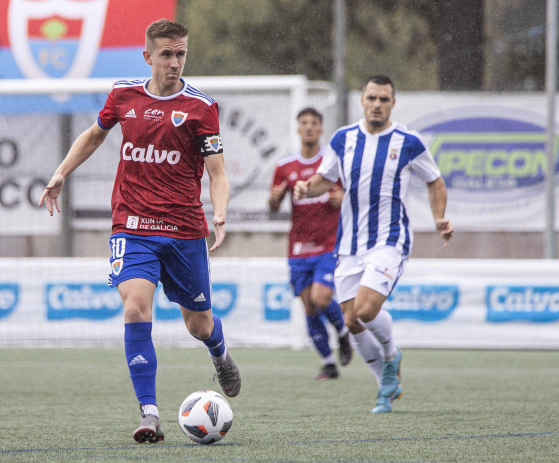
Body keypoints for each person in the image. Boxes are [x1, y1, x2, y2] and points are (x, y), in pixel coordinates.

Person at [38, 19, 240, 443]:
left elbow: (218, 173)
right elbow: (94, 136)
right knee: (134, 308)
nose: (174, 62)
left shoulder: (202, 107)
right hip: (132, 224)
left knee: (199, 325)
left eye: (180, 53)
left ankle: (220, 353)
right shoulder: (123, 95)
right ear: (148, 57)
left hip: (184, 229)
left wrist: (219, 214)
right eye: (166, 54)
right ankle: (150, 415)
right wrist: (60, 173)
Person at [293, 75, 453, 413]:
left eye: (384, 99)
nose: (377, 104)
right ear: (362, 101)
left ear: (393, 103)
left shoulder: (408, 141)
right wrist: (308, 187)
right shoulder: (343, 139)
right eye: (371, 98)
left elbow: (435, 181)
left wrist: (439, 217)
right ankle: (386, 387)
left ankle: (392, 353)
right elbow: (326, 179)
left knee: (366, 310)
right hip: (349, 244)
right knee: (351, 321)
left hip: (390, 240)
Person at [268, 107, 353, 380]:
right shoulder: (285, 166)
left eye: (313, 123)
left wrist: (340, 199)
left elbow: (345, 196)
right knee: (308, 306)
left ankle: (342, 332)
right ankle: (328, 362)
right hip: (298, 247)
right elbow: (272, 205)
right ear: (297, 128)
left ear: (320, 129)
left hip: (328, 243)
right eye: (303, 122)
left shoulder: (331, 162)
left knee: (321, 297)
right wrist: (275, 197)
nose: (308, 127)